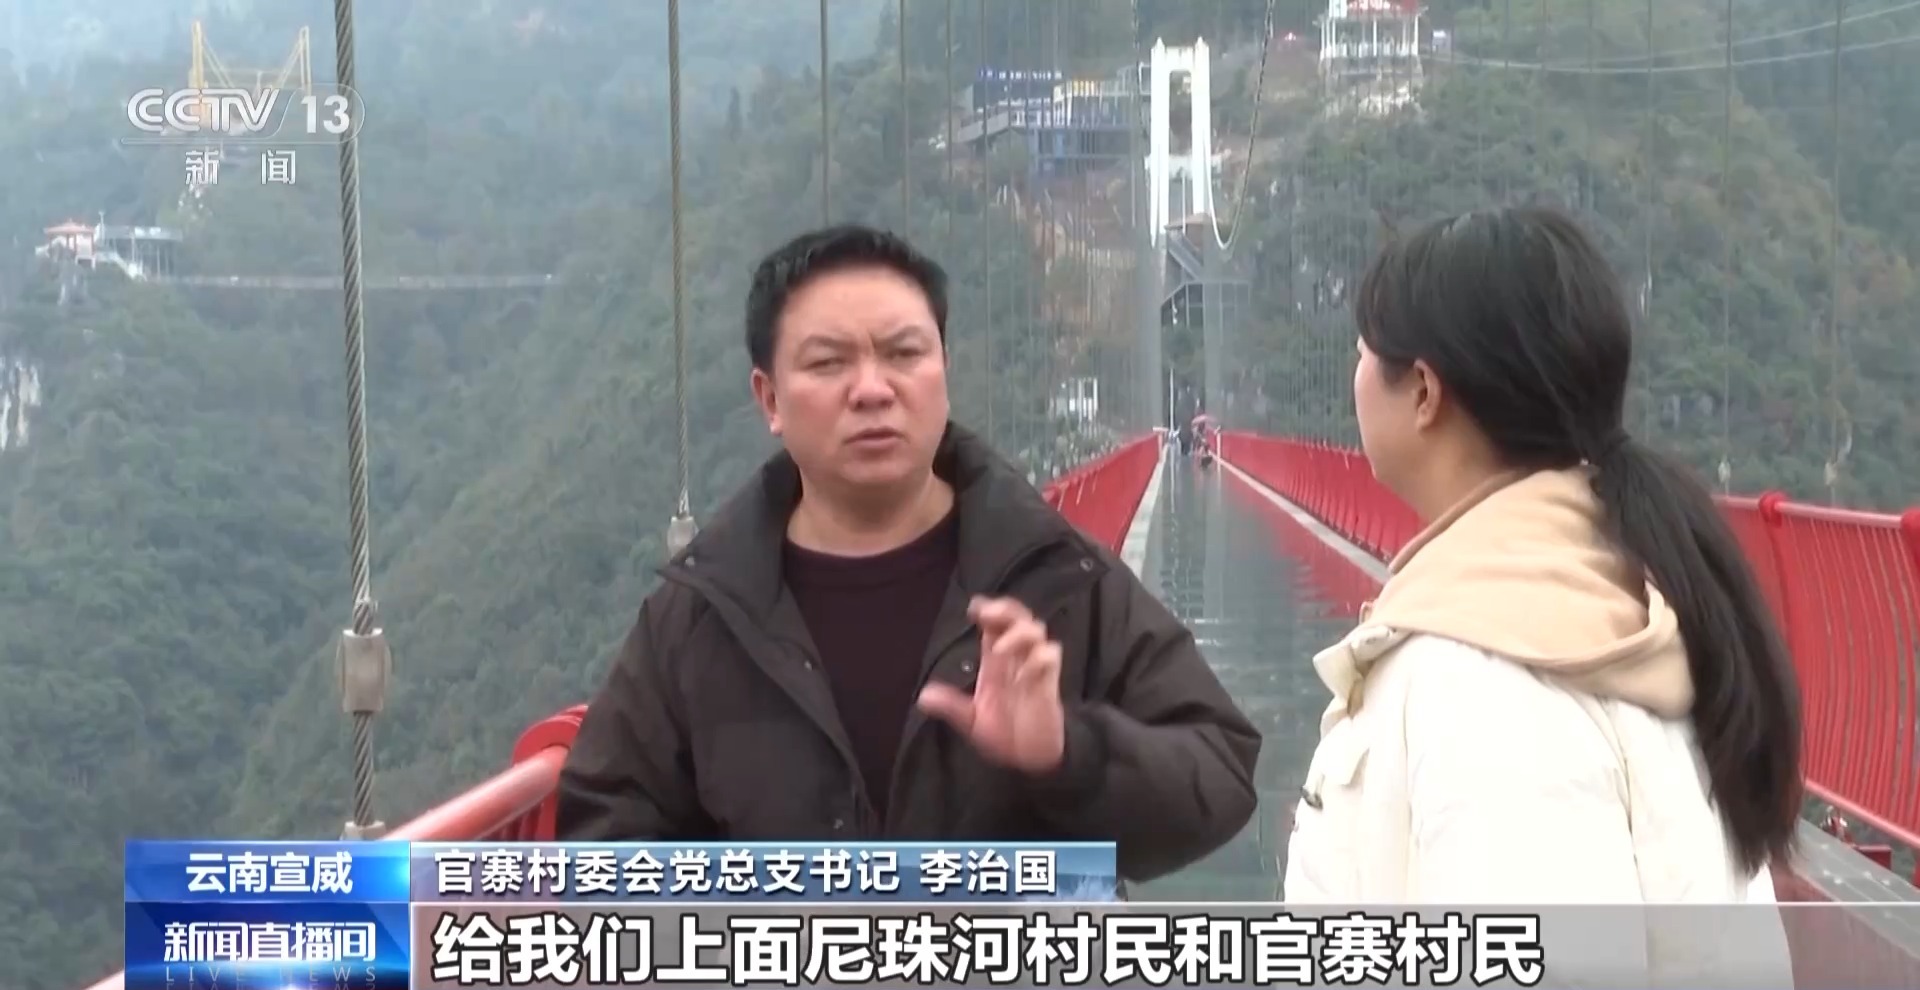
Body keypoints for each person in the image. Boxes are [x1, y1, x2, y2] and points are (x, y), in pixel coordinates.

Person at [556, 224, 1260, 882]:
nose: (872, 390)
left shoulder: (1056, 578)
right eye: (828, 362)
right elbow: (604, 846)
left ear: (943, 370)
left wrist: (1067, 754)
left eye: (903, 354)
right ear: (769, 400)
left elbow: (1220, 774)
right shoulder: (702, 615)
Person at [1284, 208, 1797, 976]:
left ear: (1422, 391)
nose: (1353, 378)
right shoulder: (1626, 595)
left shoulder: (1487, 676)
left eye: (1362, 353)